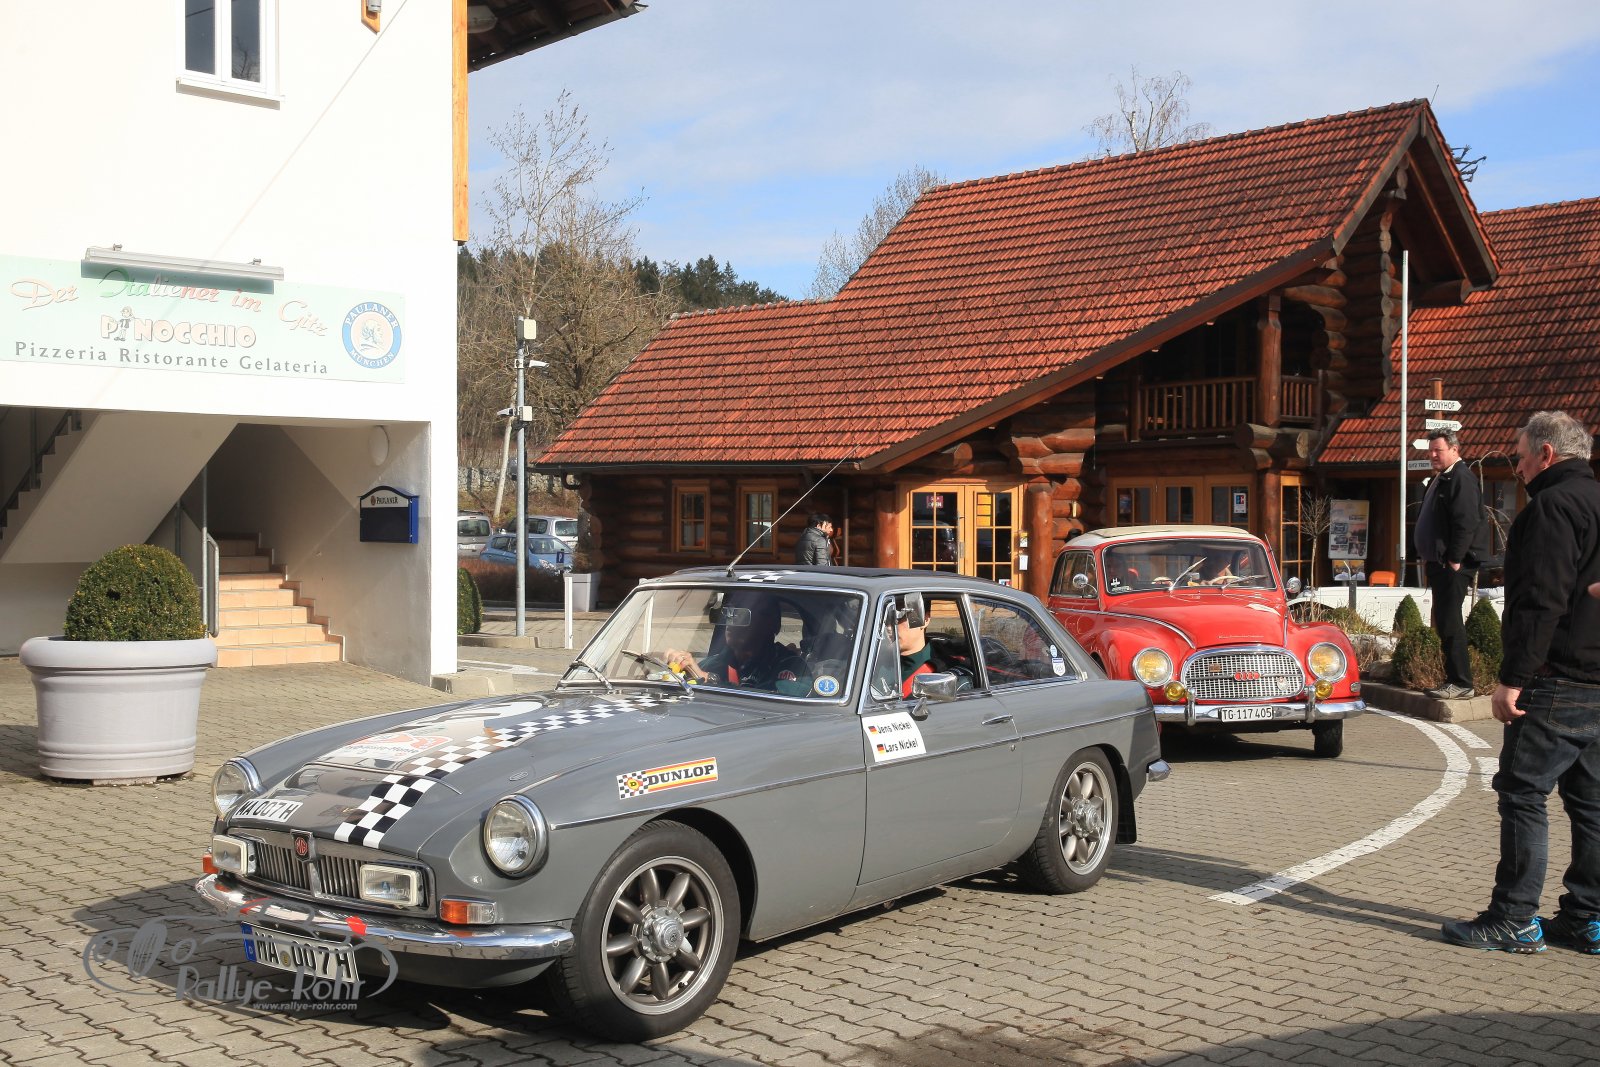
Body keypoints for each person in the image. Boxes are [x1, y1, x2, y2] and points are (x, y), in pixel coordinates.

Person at [1441, 410, 1600, 954]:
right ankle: (1587, 918)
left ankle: (1513, 917)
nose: (1518, 466)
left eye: (1521, 455)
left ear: (1547, 454)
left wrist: (1512, 679)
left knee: (1523, 794)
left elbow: (1541, 600)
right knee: (1591, 804)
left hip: (1557, 679)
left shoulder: (1552, 507)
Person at [1415, 429, 1491, 700]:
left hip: (1453, 564)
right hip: (1440, 562)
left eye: (1438, 450)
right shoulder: (1443, 477)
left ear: (1455, 449)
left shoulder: (1461, 478)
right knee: (1445, 619)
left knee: (1449, 620)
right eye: (1430, 450)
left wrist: (1455, 559)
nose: (1433, 455)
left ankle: (1461, 682)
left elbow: (1466, 522)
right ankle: (1454, 679)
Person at [665, 594, 812, 696]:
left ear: (772, 623)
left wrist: (708, 680)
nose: (732, 621)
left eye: (743, 613)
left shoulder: (792, 665)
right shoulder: (711, 664)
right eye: (729, 612)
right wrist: (674, 672)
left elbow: (772, 704)